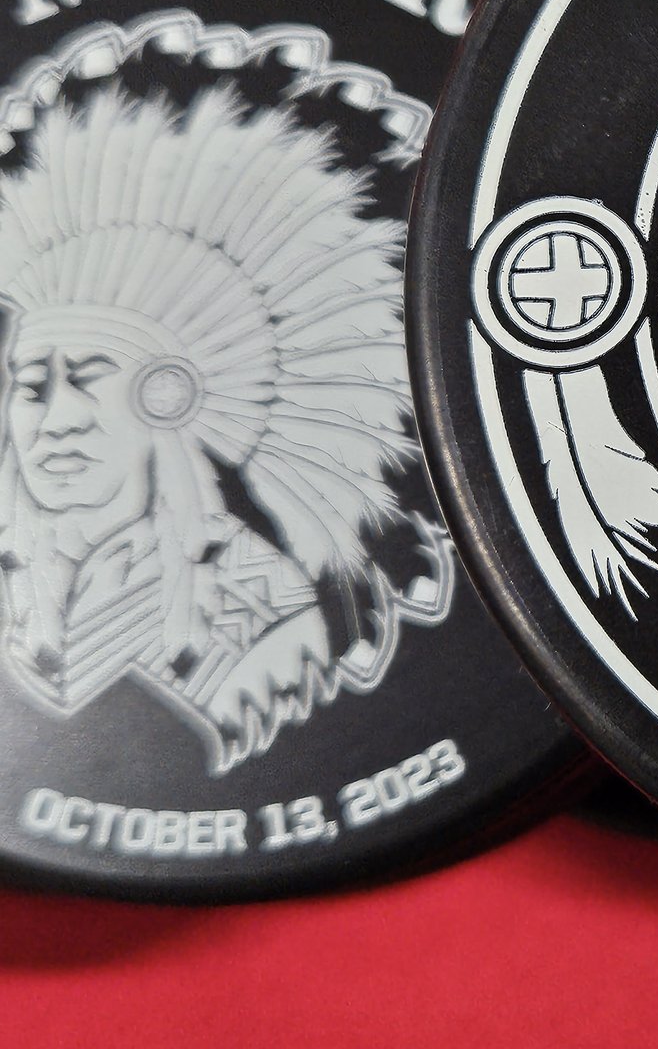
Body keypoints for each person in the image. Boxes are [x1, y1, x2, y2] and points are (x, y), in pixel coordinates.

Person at [0, 74, 426, 769]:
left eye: (88, 379)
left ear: (164, 398)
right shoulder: (18, 574)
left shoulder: (261, 606)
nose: (55, 421)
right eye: (27, 387)